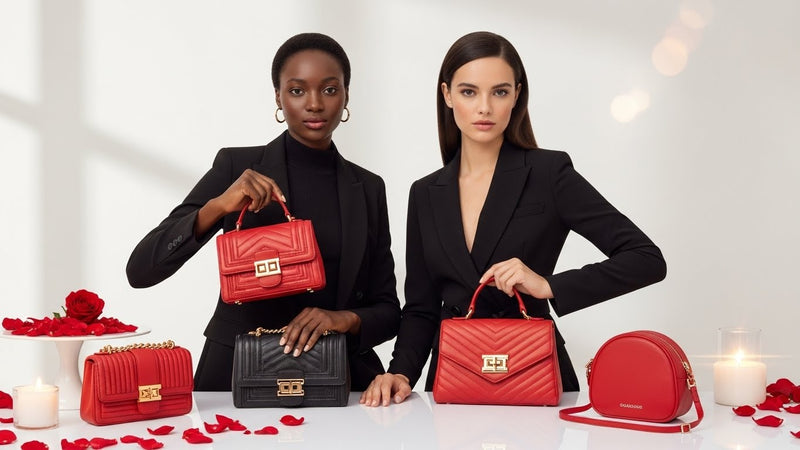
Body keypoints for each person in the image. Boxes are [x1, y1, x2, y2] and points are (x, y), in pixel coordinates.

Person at [360, 31, 666, 406]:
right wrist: (402, 372)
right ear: (447, 95)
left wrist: (548, 285)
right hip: (453, 376)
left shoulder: (549, 173)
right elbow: (422, 307)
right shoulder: (425, 192)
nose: (484, 107)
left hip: (536, 372)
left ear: (516, 95)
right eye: (469, 92)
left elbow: (646, 259)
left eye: (500, 92)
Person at [126, 33, 400, 391]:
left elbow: (389, 311)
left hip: (338, 374)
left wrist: (342, 319)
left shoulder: (367, 187)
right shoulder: (236, 167)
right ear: (278, 97)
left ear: (346, 95)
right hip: (236, 373)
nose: (314, 104)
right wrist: (219, 204)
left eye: (329, 90)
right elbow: (140, 270)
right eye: (297, 90)